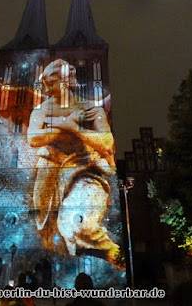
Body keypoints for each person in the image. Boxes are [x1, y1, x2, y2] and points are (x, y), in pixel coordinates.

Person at [27, 59, 123, 268]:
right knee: (49, 231)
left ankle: (114, 255)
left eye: (52, 82)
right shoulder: (42, 110)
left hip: (84, 171)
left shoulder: (90, 108)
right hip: (49, 175)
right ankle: (72, 271)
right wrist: (66, 124)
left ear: (64, 81)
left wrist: (76, 129)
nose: (47, 88)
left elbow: (106, 141)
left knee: (74, 223)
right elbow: (33, 137)